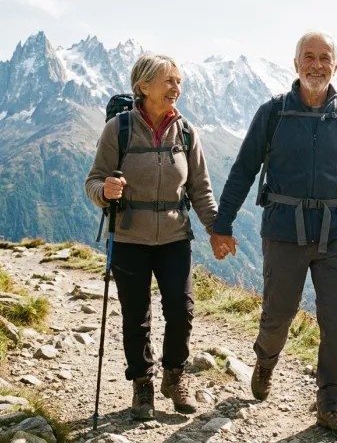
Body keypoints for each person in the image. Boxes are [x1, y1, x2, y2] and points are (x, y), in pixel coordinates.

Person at [210, 31, 337, 440]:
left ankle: (330, 404)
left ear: (335, 65)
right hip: (283, 231)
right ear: (295, 65)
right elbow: (243, 170)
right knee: (278, 315)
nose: (316, 64)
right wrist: (221, 225)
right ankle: (265, 361)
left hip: (335, 234)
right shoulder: (273, 114)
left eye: (324, 57)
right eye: (308, 57)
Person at [85, 54, 218, 420]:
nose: (177, 88)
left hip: (176, 237)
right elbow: (93, 181)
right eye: (168, 81)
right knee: (136, 317)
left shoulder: (187, 132)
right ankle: (142, 384)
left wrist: (217, 230)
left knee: (182, 311)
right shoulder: (119, 129)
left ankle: (174, 377)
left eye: (179, 81)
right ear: (143, 87)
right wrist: (105, 191)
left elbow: (201, 190)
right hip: (129, 238)